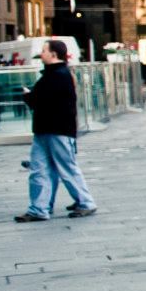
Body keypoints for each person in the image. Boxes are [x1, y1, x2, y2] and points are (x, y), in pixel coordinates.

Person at [14, 40, 97, 222]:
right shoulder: (56, 75)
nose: (41, 54)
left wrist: (28, 95)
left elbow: (38, 101)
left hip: (56, 130)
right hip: (48, 130)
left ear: (53, 54)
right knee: (40, 169)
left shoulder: (56, 76)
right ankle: (39, 208)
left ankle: (85, 202)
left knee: (62, 168)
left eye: (44, 50)